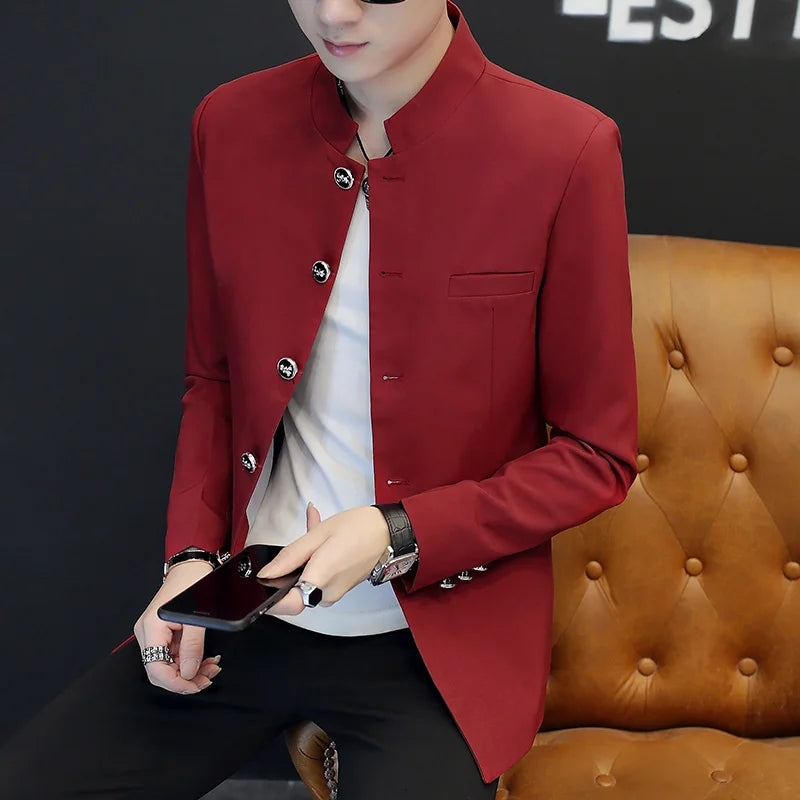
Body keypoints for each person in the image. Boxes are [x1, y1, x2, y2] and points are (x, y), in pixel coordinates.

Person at [0, 0, 639, 797]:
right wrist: (189, 562)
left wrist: (395, 531)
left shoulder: (564, 146)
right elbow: (215, 381)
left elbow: (595, 455)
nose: (334, 11)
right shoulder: (230, 122)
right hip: (245, 605)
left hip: (433, 643)